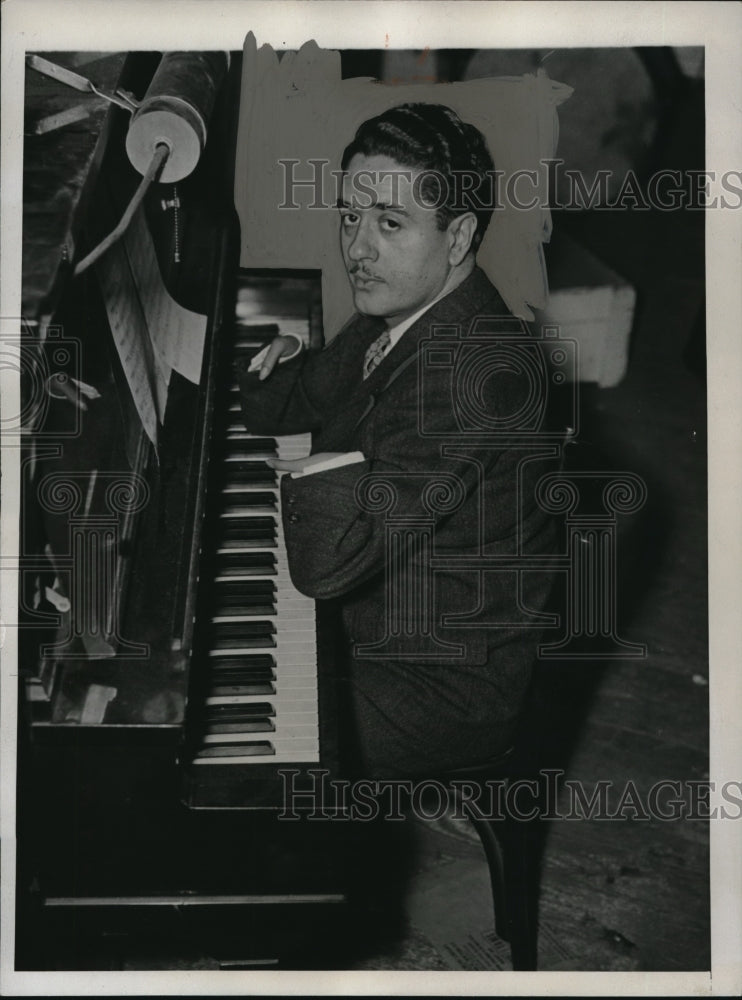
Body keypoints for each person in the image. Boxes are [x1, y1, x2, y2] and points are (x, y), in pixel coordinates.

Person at [236, 103, 557, 779]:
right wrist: (284, 358)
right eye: (349, 216)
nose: (357, 248)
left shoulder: (473, 375)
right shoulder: (408, 303)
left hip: (433, 683)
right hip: (379, 611)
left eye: (389, 223)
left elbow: (324, 568)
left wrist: (313, 469)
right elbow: (292, 404)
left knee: (244, 740)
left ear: (458, 235)